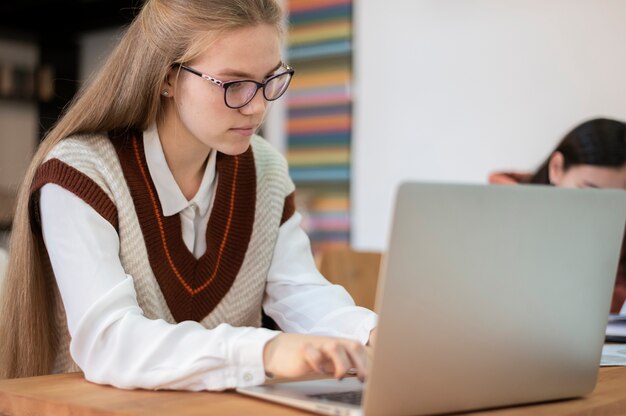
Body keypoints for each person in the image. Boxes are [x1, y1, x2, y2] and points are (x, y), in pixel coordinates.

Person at [0, 0, 377, 390]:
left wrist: (370, 334)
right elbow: (110, 343)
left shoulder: (265, 169)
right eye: (235, 84)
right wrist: (265, 351)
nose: (258, 106)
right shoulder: (81, 173)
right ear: (166, 77)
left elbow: (300, 292)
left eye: (270, 80)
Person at [489, 117, 626, 313]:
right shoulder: (494, 215)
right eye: (590, 193)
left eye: (618, 200)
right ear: (556, 168)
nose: (604, 210)